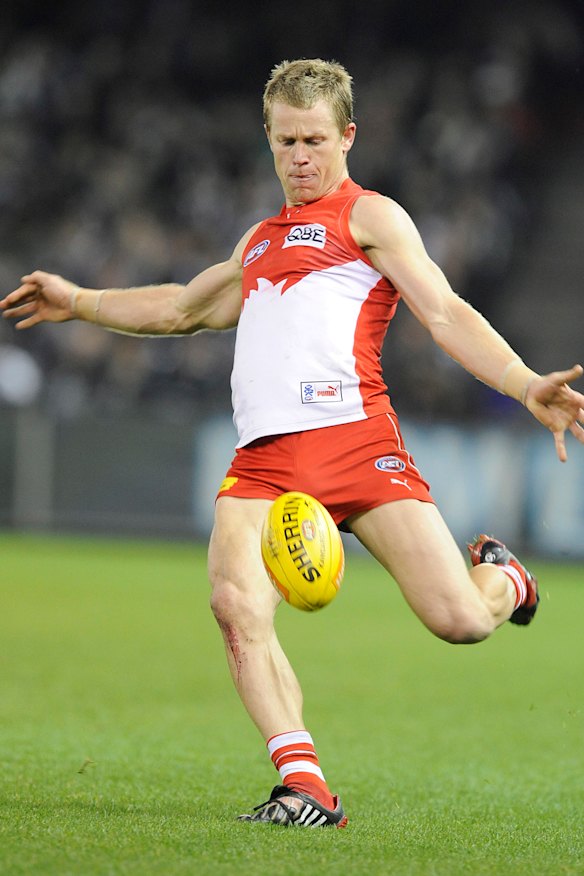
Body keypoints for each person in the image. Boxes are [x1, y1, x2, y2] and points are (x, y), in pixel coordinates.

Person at [2, 58, 584, 829]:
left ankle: (504, 578)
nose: (300, 156)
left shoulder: (371, 218)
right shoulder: (261, 240)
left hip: (356, 444)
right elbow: (181, 308)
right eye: (286, 141)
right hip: (265, 463)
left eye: (314, 139)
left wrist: (520, 382)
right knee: (234, 602)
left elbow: (443, 312)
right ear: (269, 141)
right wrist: (79, 300)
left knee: (460, 621)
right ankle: (305, 786)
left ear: (347, 136)